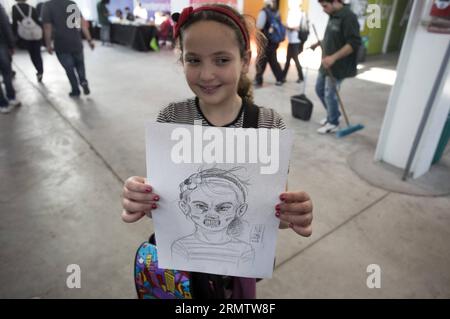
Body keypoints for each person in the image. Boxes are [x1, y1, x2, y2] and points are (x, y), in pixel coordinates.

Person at [121, 4, 313, 299]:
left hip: (236, 276)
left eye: (222, 60)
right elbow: (165, 206)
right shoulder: (172, 120)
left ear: (245, 60)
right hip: (180, 275)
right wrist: (140, 198)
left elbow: (273, 215)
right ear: (181, 59)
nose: (207, 74)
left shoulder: (267, 125)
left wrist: (292, 214)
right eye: (194, 60)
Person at [172, 168, 255, 268]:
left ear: (240, 210)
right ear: (185, 207)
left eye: (223, 208)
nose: (211, 215)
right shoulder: (181, 246)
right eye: (200, 206)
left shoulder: (244, 250)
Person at [311, 0, 361, 134]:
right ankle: (333, 115)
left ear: (335, 2)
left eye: (325, 6)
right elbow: (334, 37)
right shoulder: (333, 15)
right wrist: (319, 43)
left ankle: (333, 123)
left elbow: (354, 43)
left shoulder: (348, 17)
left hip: (338, 65)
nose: (323, 9)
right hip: (326, 63)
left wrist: (333, 58)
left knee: (330, 94)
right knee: (319, 89)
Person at [42, 0, 95, 97]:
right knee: (80, 64)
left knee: (69, 68)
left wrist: (48, 44)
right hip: (76, 41)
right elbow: (82, 24)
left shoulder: (47, 6)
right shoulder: (72, 3)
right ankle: (83, 81)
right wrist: (89, 40)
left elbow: (47, 27)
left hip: (61, 43)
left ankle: (75, 90)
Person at [254, 0, 285, 87]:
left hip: (266, 40)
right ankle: (280, 78)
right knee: (271, 60)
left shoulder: (264, 12)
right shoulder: (276, 13)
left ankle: (259, 80)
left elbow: (259, 25)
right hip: (275, 41)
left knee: (262, 60)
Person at [12, 0, 44, 82]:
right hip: (36, 33)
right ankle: (40, 70)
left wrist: (14, 37)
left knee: (32, 53)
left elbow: (15, 23)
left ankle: (38, 70)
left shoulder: (15, 8)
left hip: (25, 34)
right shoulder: (31, 8)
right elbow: (38, 21)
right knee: (37, 53)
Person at [0, 3, 21, 113]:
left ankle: (2, 104)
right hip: (1, 45)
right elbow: (5, 25)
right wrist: (11, 44)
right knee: (7, 73)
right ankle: (12, 98)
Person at [282, 8, 308, 83]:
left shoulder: (300, 15)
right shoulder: (291, 15)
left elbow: (299, 28)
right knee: (288, 60)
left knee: (295, 60)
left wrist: (290, 28)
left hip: (296, 42)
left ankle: (301, 77)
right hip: (291, 42)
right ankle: (283, 77)